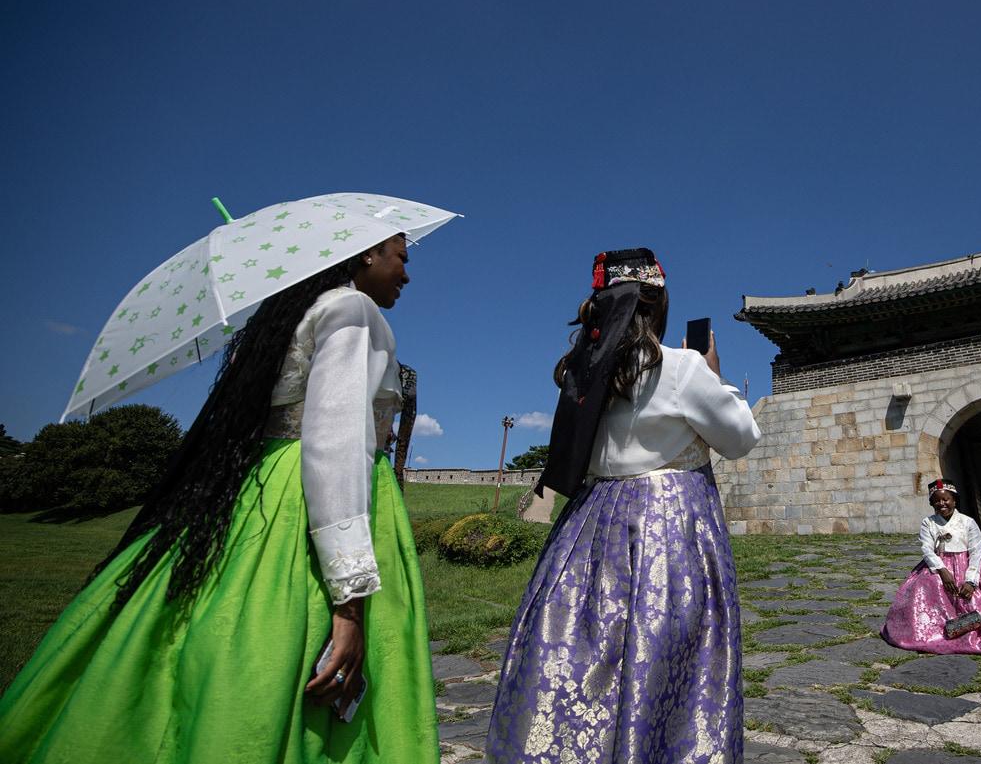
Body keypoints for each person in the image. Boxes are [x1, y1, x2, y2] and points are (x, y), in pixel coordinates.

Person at [0, 235, 439, 764]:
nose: (405, 274)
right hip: (314, 499)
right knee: (293, 657)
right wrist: (348, 607)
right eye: (401, 258)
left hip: (263, 491)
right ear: (367, 253)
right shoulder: (352, 307)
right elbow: (335, 443)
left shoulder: (294, 314)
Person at [485, 248, 761, 764]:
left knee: (588, 649)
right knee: (670, 653)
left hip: (588, 524)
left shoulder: (580, 373)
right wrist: (716, 375)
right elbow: (740, 437)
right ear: (656, 304)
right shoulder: (681, 368)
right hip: (669, 525)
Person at [881, 479, 981, 657]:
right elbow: (926, 548)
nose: (942, 503)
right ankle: (933, 631)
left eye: (946, 499)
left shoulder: (967, 522)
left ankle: (975, 627)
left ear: (954, 500)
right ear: (932, 503)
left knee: (973, 597)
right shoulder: (928, 523)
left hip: (965, 565)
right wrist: (943, 571)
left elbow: (977, 550)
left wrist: (970, 579)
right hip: (937, 566)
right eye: (937, 500)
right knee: (926, 586)